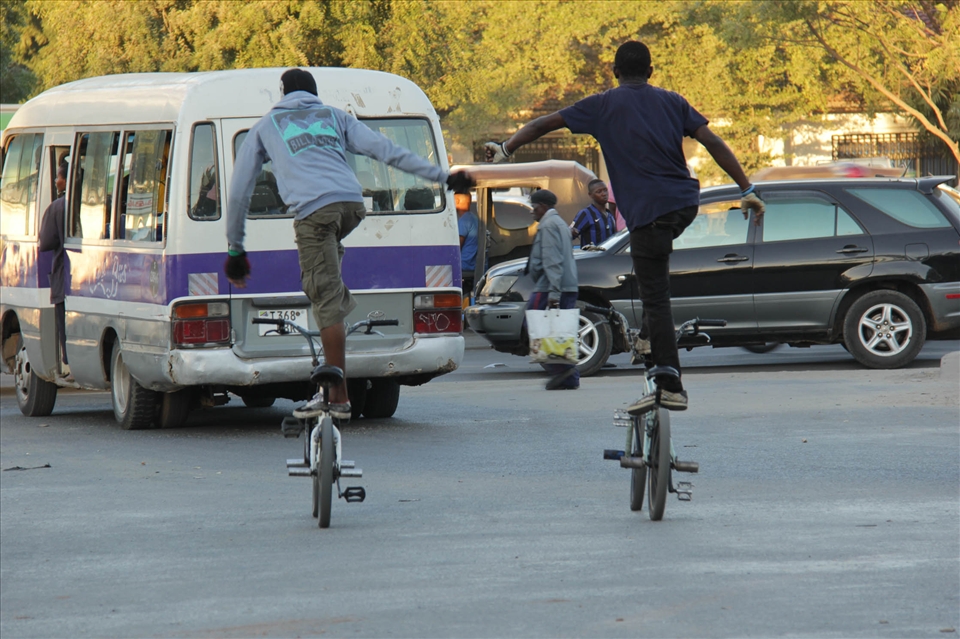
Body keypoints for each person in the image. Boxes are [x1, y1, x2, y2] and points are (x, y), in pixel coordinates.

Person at [486, 41, 764, 413]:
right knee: (652, 267)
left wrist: (506, 148)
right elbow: (712, 141)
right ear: (651, 72)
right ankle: (649, 337)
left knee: (655, 294)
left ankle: (669, 379)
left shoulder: (601, 105)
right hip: (684, 204)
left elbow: (541, 124)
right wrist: (747, 188)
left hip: (649, 212)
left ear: (614, 72)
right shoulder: (673, 101)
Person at [226, 68, 474, 420]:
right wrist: (443, 175)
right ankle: (334, 307)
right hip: (351, 206)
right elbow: (385, 150)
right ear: (314, 92)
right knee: (323, 278)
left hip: (315, 213)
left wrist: (236, 249)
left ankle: (335, 393)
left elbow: (239, 192)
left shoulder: (267, 126)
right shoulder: (334, 116)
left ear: (282, 93)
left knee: (323, 295)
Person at [525, 189, 579, 391]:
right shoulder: (560, 223)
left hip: (550, 287)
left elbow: (552, 262)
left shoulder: (548, 225)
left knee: (535, 326)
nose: (533, 211)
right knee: (560, 331)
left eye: (534, 207)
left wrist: (554, 294)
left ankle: (561, 371)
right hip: (564, 285)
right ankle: (568, 377)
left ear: (544, 207)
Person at [38, 162, 71, 381]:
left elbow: (45, 243)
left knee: (64, 324)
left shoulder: (58, 207)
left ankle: (69, 362)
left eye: (58, 177)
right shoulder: (84, 203)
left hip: (63, 275)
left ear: (65, 179)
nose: (56, 181)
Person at [571, 178, 617, 247]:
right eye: (599, 192)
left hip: (608, 256)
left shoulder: (610, 215)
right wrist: (572, 232)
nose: (604, 194)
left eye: (605, 190)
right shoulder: (585, 214)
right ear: (590, 195)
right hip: (591, 256)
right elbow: (571, 233)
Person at [456, 192, 480, 298]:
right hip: (474, 264)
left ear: (457, 201)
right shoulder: (474, 218)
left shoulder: (464, 220)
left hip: (465, 264)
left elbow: (456, 247)